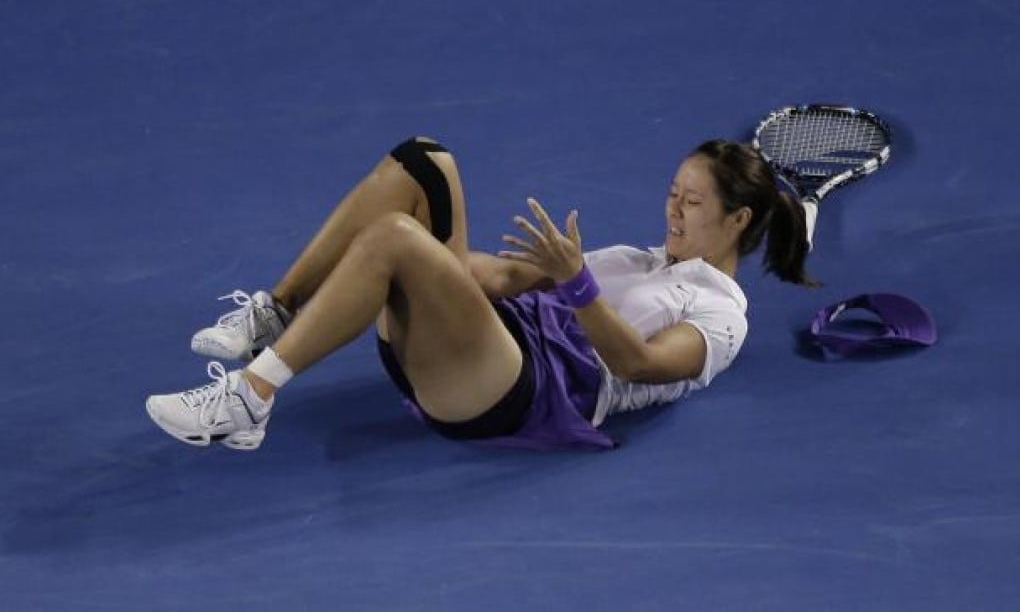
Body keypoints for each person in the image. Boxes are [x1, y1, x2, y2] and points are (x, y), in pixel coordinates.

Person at [145, 136, 813, 451]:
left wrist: (576, 282)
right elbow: (495, 279)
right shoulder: (633, 259)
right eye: (672, 193)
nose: (672, 210)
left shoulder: (724, 316)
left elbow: (641, 364)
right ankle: (279, 311)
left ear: (738, 220)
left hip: (516, 393)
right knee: (423, 163)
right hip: (483, 340)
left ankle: (250, 399)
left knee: (395, 239)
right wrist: (442, 263)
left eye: (692, 201)